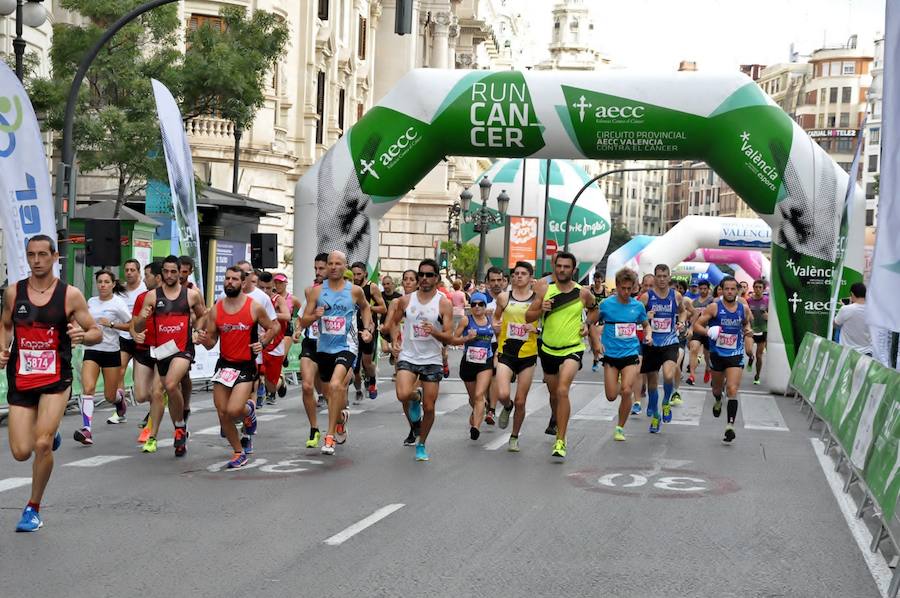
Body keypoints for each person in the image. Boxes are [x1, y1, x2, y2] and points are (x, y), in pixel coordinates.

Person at [0, 236, 102, 532]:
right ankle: (50, 431)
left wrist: (83, 336)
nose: (36, 260)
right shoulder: (14, 292)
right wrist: (2, 348)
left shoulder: (69, 295)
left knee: (42, 443)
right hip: (21, 378)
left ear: (55, 257)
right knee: (21, 451)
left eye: (43, 254)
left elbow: (95, 331)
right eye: (31, 255)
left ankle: (33, 508)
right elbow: (5, 325)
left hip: (56, 378)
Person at [199, 266, 279, 468]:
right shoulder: (216, 309)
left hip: (245, 365)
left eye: (234, 279)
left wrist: (264, 342)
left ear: (243, 283)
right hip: (224, 365)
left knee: (234, 410)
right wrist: (203, 339)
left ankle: (248, 410)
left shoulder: (254, 307)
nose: (229, 282)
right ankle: (238, 451)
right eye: (227, 278)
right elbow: (211, 342)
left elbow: (273, 327)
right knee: (222, 412)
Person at [299, 251, 374, 456]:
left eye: (337, 263)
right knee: (329, 394)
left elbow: (365, 308)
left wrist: (367, 328)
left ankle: (329, 437)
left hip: (346, 346)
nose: (333, 267)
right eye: (330, 263)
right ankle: (341, 419)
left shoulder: (355, 291)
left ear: (345, 266)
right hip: (323, 348)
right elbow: (303, 321)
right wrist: (314, 316)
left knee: (335, 385)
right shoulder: (316, 292)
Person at [526, 251, 598, 460]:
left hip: (572, 348)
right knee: (554, 394)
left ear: (573, 270)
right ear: (554, 267)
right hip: (548, 348)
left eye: (566, 267)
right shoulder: (544, 289)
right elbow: (528, 316)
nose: (562, 270)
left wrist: (587, 324)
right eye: (559, 266)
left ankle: (560, 439)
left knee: (562, 389)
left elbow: (595, 311)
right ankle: (557, 419)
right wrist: (541, 309)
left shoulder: (582, 293)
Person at [133, 255, 207, 457]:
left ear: (179, 272)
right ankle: (180, 425)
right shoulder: (152, 296)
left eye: (174, 271)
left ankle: (179, 427)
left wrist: (197, 330)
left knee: (172, 384)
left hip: (183, 348)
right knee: (167, 388)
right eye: (166, 271)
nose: (169, 275)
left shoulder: (191, 295)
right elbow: (137, 327)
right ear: (162, 273)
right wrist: (142, 319)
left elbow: (203, 315)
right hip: (162, 351)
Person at [383, 259, 454, 461]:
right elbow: (394, 322)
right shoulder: (406, 301)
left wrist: (435, 332)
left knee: (429, 407)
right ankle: (416, 398)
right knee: (403, 394)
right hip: (408, 355)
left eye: (429, 275)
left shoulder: (443, 303)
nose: (424, 278)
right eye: (421, 274)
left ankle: (421, 443)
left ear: (436, 278)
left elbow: (448, 336)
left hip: (432, 358)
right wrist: (395, 340)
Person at [75, 270, 132, 445]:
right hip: (92, 349)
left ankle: (119, 400)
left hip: (111, 351)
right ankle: (87, 429)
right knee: (88, 388)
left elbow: (131, 325)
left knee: (109, 396)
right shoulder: (91, 302)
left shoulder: (118, 303)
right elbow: (84, 322)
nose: (103, 285)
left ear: (113, 284)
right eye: (100, 282)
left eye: (107, 282)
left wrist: (112, 324)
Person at [693, 276, 752, 443]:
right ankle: (718, 400)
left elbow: (746, 324)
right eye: (727, 289)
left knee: (732, 389)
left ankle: (730, 426)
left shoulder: (743, 309)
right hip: (717, 354)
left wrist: (748, 331)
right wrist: (708, 332)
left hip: (735, 354)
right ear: (721, 290)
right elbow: (697, 325)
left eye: (733, 289)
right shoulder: (714, 307)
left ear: (737, 291)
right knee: (717, 389)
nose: (730, 292)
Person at [598, 268, 652, 441]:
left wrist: (649, 335)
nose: (626, 292)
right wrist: (596, 342)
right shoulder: (606, 305)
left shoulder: (637, 306)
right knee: (611, 396)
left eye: (630, 288)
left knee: (627, 390)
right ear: (617, 285)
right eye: (623, 288)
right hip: (611, 355)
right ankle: (620, 384)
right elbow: (592, 322)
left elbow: (646, 325)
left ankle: (620, 427)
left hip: (630, 353)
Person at [493, 261, 539, 452]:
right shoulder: (504, 297)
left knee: (521, 400)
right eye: (516, 273)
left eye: (523, 273)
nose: (519, 276)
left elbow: (545, 324)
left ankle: (514, 436)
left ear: (530, 277)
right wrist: (495, 326)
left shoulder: (537, 299)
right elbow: (496, 317)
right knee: (503, 394)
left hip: (528, 353)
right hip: (506, 351)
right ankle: (507, 406)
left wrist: (536, 329)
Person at [638, 264, 686, 434]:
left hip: (670, 341)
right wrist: (645, 317)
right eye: (659, 276)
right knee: (652, 382)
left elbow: (683, 312)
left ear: (669, 277)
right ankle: (656, 416)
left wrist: (681, 322)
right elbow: (635, 317)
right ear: (655, 277)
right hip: (651, 343)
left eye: (665, 276)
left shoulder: (676, 295)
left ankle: (666, 402)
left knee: (668, 375)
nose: (662, 279)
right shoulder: (646, 297)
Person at [294, 253, 328, 449]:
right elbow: (302, 317)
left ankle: (339, 420)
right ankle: (314, 428)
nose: (317, 272)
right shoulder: (311, 292)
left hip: (331, 345)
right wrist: (298, 330)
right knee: (307, 386)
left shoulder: (343, 292)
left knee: (330, 393)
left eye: (321, 268)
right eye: (316, 268)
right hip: (311, 343)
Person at [131, 262, 166, 452]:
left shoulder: (172, 297)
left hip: (164, 349)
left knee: (156, 392)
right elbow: (134, 324)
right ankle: (158, 403)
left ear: (158, 277)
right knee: (141, 395)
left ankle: (152, 434)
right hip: (143, 349)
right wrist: (136, 334)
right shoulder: (142, 298)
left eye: (147, 275)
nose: (144, 279)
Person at [454, 292, 494, 440]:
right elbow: (454, 339)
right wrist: (467, 338)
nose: (477, 307)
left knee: (479, 396)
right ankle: (479, 408)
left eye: (481, 304)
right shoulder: (466, 320)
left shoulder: (491, 319)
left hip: (485, 362)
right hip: (468, 363)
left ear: (485, 305)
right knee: (473, 399)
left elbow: (500, 336)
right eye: (474, 304)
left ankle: (475, 428)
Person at [350, 262, 386, 401]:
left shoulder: (372, 287)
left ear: (365, 273)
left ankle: (372, 379)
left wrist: (367, 308)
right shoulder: (349, 287)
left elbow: (383, 308)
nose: (356, 277)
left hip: (368, 329)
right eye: (354, 274)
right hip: (353, 330)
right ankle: (359, 390)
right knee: (355, 367)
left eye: (359, 274)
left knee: (367, 363)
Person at [115, 258, 146, 419]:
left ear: (138, 272)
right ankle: (120, 408)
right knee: (119, 371)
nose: (129, 273)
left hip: (141, 336)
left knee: (139, 381)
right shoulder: (120, 290)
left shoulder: (144, 289)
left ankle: (153, 410)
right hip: (124, 335)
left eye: (132, 270)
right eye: (126, 270)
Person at [257, 271, 290, 405]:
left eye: (268, 288)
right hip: (259, 342)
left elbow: (287, 316)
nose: (265, 291)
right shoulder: (253, 299)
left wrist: (270, 314)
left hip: (275, 343)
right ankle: (256, 396)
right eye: (262, 288)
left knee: (271, 385)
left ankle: (280, 382)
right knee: (256, 372)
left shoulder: (278, 299)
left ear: (273, 287)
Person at [483, 266, 506, 424]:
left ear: (504, 281)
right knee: (484, 379)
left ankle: (491, 409)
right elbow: (469, 318)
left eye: (499, 280)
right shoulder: (481, 299)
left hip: (502, 344)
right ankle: (485, 404)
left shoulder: (510, 298)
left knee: (495, 375)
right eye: (493, 280)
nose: (496, 283)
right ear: (487, 282)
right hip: (483, 343)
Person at [686, 280, 714, 386]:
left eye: (705, 289)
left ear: (709, 289)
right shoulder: (694, 302)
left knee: (708, 355)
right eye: (701, 289)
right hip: (697, 329)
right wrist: (689, 317)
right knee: (694, 349)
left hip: (708, 330)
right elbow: (689, 314)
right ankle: (692, 376)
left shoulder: (712, 301)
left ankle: (708, 368)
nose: (702, 291)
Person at [835, 282, 872, 355]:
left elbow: (835, 324)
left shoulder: (845, 309)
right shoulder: (872, 310)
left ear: (852, 294)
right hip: (867, 352)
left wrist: (844, 308)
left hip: (847, 352)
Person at [745, 279, 769, 384]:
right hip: (751, 329)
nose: (758, 289)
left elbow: (774, 316)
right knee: (748, 351)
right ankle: (751, 357)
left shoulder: (767, 300)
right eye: (756, 287)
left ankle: (757, 376)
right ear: (753, 288)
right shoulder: (748, 301)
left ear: (763, 289)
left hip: (763, 330)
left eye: (760, 287)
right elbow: (745, 315)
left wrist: (768, 316)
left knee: (759, 356)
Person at [379, 275, 403, 360]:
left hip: (394, 326)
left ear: (392, 284)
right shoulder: (380, 296)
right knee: (385, 349)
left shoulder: (399, 296)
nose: (386, 286)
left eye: (388, 284)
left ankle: (395, 357)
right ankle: (392, 352)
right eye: (384, 284)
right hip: (384, 325)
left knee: (395, 346)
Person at [589, 270, 607, 372]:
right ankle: (596, 358)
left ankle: (599, 357)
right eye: (596, 281)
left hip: (601, 318)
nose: (597, 283)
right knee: (592, 342)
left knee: (596, 336)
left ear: (602, 281)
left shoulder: (605, 291)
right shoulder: (589, 289)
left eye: (599, 281)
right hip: (591, 317)